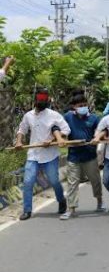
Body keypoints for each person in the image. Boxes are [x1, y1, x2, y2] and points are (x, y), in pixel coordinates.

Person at [15, 89, 71, 221]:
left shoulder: (54, 115)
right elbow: (21, 129)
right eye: (40, 100)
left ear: (47, 100)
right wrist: (18, 141)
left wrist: (51, 140)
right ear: (35, 100)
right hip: (33, 155)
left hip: (50, 155)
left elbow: (66, 129)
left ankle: (61, 199)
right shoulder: (28, 115)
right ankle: (27, 210)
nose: (42, 102)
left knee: (54, 181)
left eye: (45, 100)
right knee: (28, 182)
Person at [60, 95, 103, 220]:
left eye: (85, 105)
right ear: (74, 107)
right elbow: (61, 129)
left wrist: (97, 138)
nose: (83, 107)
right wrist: (61, 139)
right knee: (72, 183)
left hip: (90, 155)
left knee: (95, 180)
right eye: (80, 106)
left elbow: (101, 130)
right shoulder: (68, 117)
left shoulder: (94, 118)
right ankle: (71, 209)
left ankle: (100, 201)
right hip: (73, 156)